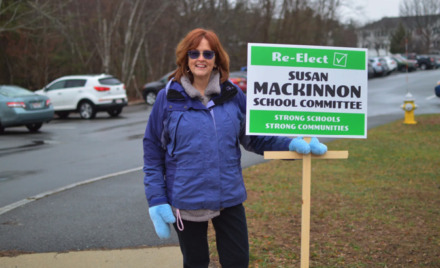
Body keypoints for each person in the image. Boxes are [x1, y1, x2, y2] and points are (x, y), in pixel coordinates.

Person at [142, 28, 327, 268]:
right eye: (194, 52)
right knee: (196, 262)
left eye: (208, 54)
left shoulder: (232, 95)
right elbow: (153, 152)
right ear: (185, 58)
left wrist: (290, 144)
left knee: (238, 261)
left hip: (228, 196)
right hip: (186, 198)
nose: (201, 58)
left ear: (217, 58)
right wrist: (156, 199)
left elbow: (255, 137)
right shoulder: (167, 99)